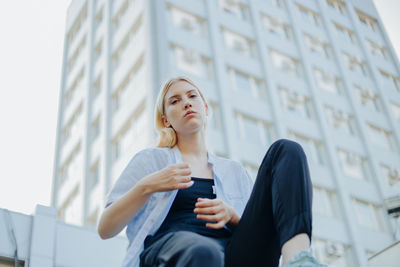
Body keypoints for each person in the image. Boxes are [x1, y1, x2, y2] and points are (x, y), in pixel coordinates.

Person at [98, 76, 326, 267]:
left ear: (205, 109)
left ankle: (298, 259)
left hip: (233, 254)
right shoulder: (152, 160)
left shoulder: (234, 172)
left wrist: (233, 217)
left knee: (286, 149)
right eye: (175, 101)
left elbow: (257, 233)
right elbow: (105, 228)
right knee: (203, 251)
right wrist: (147, 185)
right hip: (173, 251)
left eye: (192, 96)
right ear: (166, 120)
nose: (186, 103)